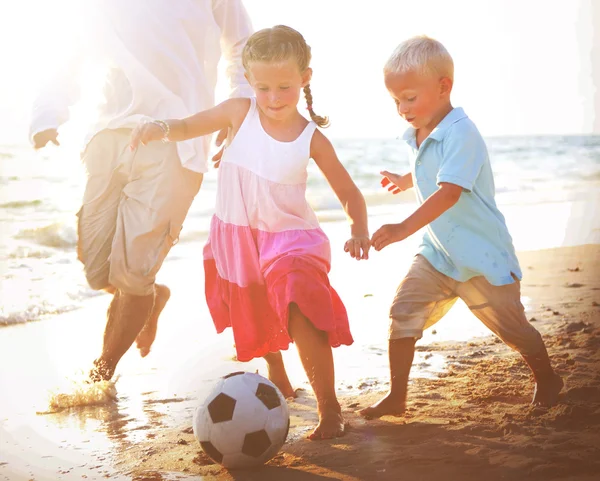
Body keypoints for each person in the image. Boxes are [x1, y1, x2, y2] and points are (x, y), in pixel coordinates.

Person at [130, 25, 370, 440]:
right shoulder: (238, 113)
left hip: (291, 238)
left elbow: (348, 189)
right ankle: (277, 369)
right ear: (249, 82)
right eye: (264, 88)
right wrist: (161, 127)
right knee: (258, 305)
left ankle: (330, 410)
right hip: (239, 236)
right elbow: (189, 125)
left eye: (285, 87)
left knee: (298, 302)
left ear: (304, 79)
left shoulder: (310, 137)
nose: (274, 98)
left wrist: (359, 227)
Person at [30, 0, 255, 382]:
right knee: (97, 270)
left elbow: (242, 44)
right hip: (106, 133)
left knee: (133, 277)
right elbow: (75, 45)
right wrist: (49, 111)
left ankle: (101, 373)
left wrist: (239, 105)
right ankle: (151, 299)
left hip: (177, 134)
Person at [359, 36, 564, 420]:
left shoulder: (462, 132)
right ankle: (397, 395)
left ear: (443, 87)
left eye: (409, 98)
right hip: (437, 253)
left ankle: (548, 378)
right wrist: (405, 179)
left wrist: (402, 228)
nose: (402, 109)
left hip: (480, 255)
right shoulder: (420, 130)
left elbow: (449, 192)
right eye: (395, 102)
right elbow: (433, 169)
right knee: (402, 311)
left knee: (514, 330)